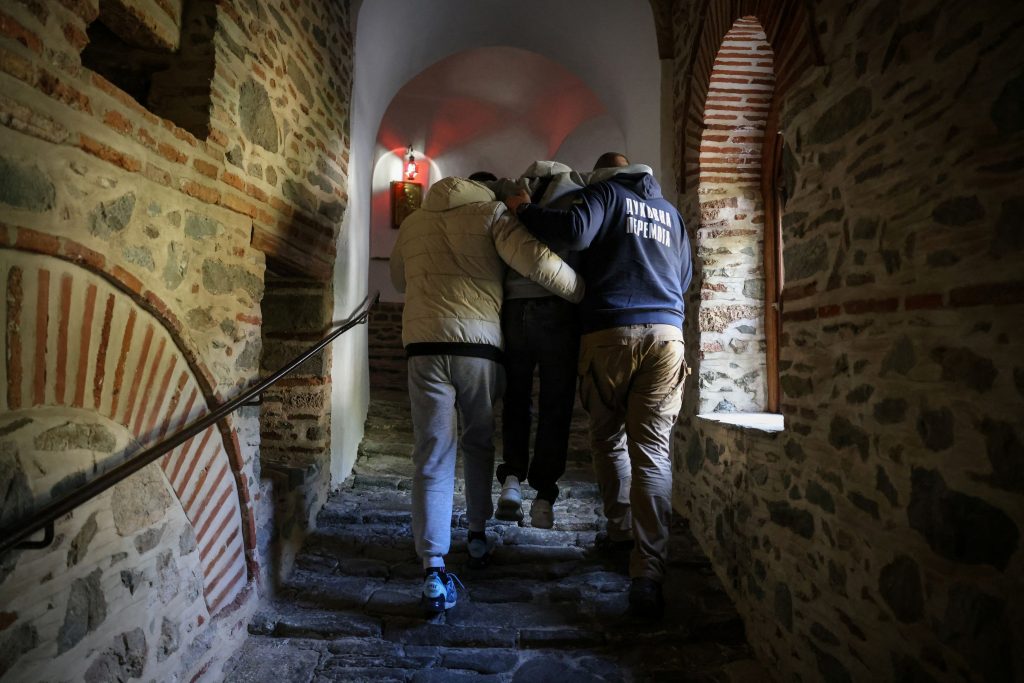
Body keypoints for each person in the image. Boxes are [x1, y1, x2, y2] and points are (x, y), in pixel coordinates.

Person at [504, 153, 692, 619]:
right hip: (668, 336)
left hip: (610, 332)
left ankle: (620, 530)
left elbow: (573, 233)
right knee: (653, 451)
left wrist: (524, 209)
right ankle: (647, 571)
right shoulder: (670, 213)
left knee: (609, 439)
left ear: (603, 172)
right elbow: (685, 276)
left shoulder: (604, 193)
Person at [390, 175, 583, 616]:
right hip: (478, 348)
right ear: (486, 191)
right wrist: (581, 292)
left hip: (422, 348)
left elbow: (399, 279)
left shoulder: (415, 221)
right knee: (478, 442)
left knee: (432, 452)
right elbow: (536, 262)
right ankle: (477, 538)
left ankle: (433, 567)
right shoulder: (492, 214)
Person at [489, 161, 587, 529]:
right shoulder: (579, 196)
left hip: (514, 307)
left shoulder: (511, 192)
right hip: (560, 308)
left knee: (516, 396)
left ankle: (512, 479)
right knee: (555, 403)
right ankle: (544, 496)